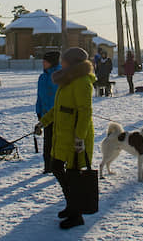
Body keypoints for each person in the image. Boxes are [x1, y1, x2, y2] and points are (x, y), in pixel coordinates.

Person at [34, 47, 95, 230]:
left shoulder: (82, 82)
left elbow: (85, 112)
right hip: (63, 135)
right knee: (57, 168)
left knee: (72, 175)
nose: (62, 63)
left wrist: (80, 138)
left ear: (73, 62)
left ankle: (77, 215)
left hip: (75, 137)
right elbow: (57, 108)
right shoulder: (67, 80)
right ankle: (71, 206)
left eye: (65, 60)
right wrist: (42, 123)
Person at [36, 51, 61, 174]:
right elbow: (39, 97)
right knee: (47, 143)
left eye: (45, 61)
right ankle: (48, 166)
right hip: (45, 115)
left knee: (58, 143)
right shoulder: (42, 77)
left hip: (59, 115)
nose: (43, 63)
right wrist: (39, 112)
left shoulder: (60, 75)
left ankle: (58, 166)